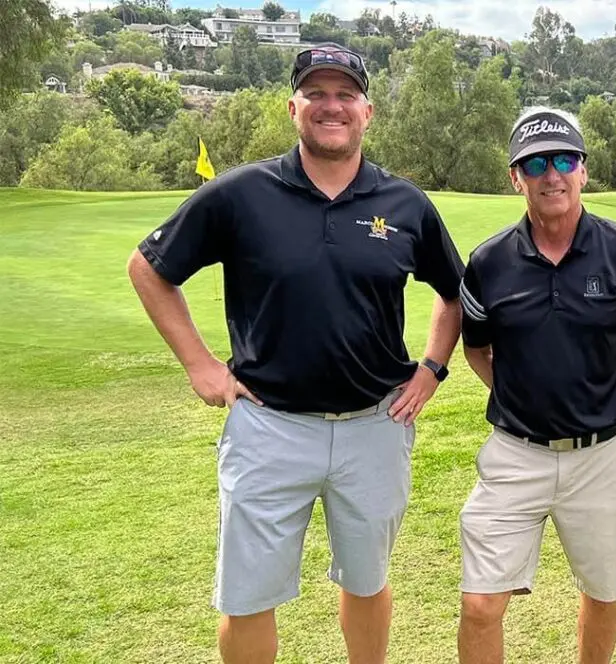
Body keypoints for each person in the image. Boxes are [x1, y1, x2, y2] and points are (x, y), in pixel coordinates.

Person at [126, 43, 465, 663]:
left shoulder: (404, 203)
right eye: (316, 93)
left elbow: (454, 293)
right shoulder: (241, 193)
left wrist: (433, 369)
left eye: (344, 95)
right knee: (248, 597)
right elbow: (149, 268)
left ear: (368, 111)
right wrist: (202, 366)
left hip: (374, 427)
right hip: (269, 427)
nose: (330, 106)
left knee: (367, 581)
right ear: (293, 107)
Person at [455, 106, 616, 664]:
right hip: (513, 454)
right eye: (537, 163)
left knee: (601, 593)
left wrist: (602, 394)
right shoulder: (487, 262)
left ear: (584, 170)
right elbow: (476, 349)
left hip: (600, 456)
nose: (553, 174)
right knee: (479, 603)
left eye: (565, 159)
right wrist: (525, 397)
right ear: (515, 176)